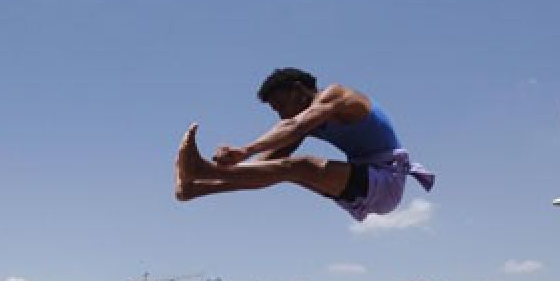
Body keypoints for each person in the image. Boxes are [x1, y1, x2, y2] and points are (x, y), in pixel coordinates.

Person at [174, 67, 435, 222]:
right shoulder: (304, 126)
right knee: (283, 170)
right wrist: (207, 181)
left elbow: (294, 126)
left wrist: (243, 150)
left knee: (300, 166)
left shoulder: (337, 96)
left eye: (280, 106)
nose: (281, 115)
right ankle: (193, 189)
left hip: (386, 180)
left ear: (298, 90)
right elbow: (265, 168)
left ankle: (200, 173)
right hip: (363, 184)